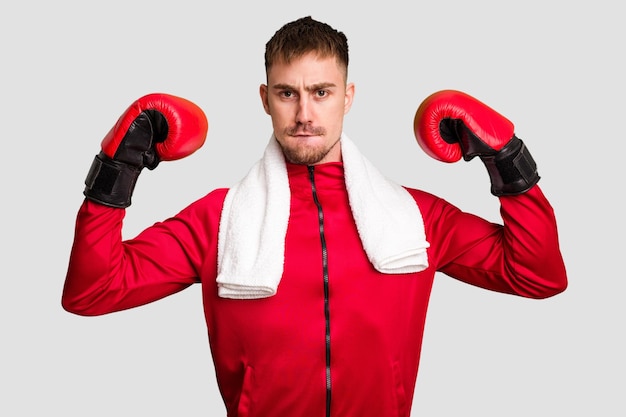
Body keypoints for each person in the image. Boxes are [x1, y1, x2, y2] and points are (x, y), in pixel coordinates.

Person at [63, 16, 567, 417]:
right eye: (288, 93)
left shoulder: (416, 218)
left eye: (322, 92)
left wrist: (508, 160)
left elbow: (537, 274)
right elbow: (92, 292)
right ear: (265, 100)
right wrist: (117, 171)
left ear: (348, 97)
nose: (305, 113)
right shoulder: (218, 220)